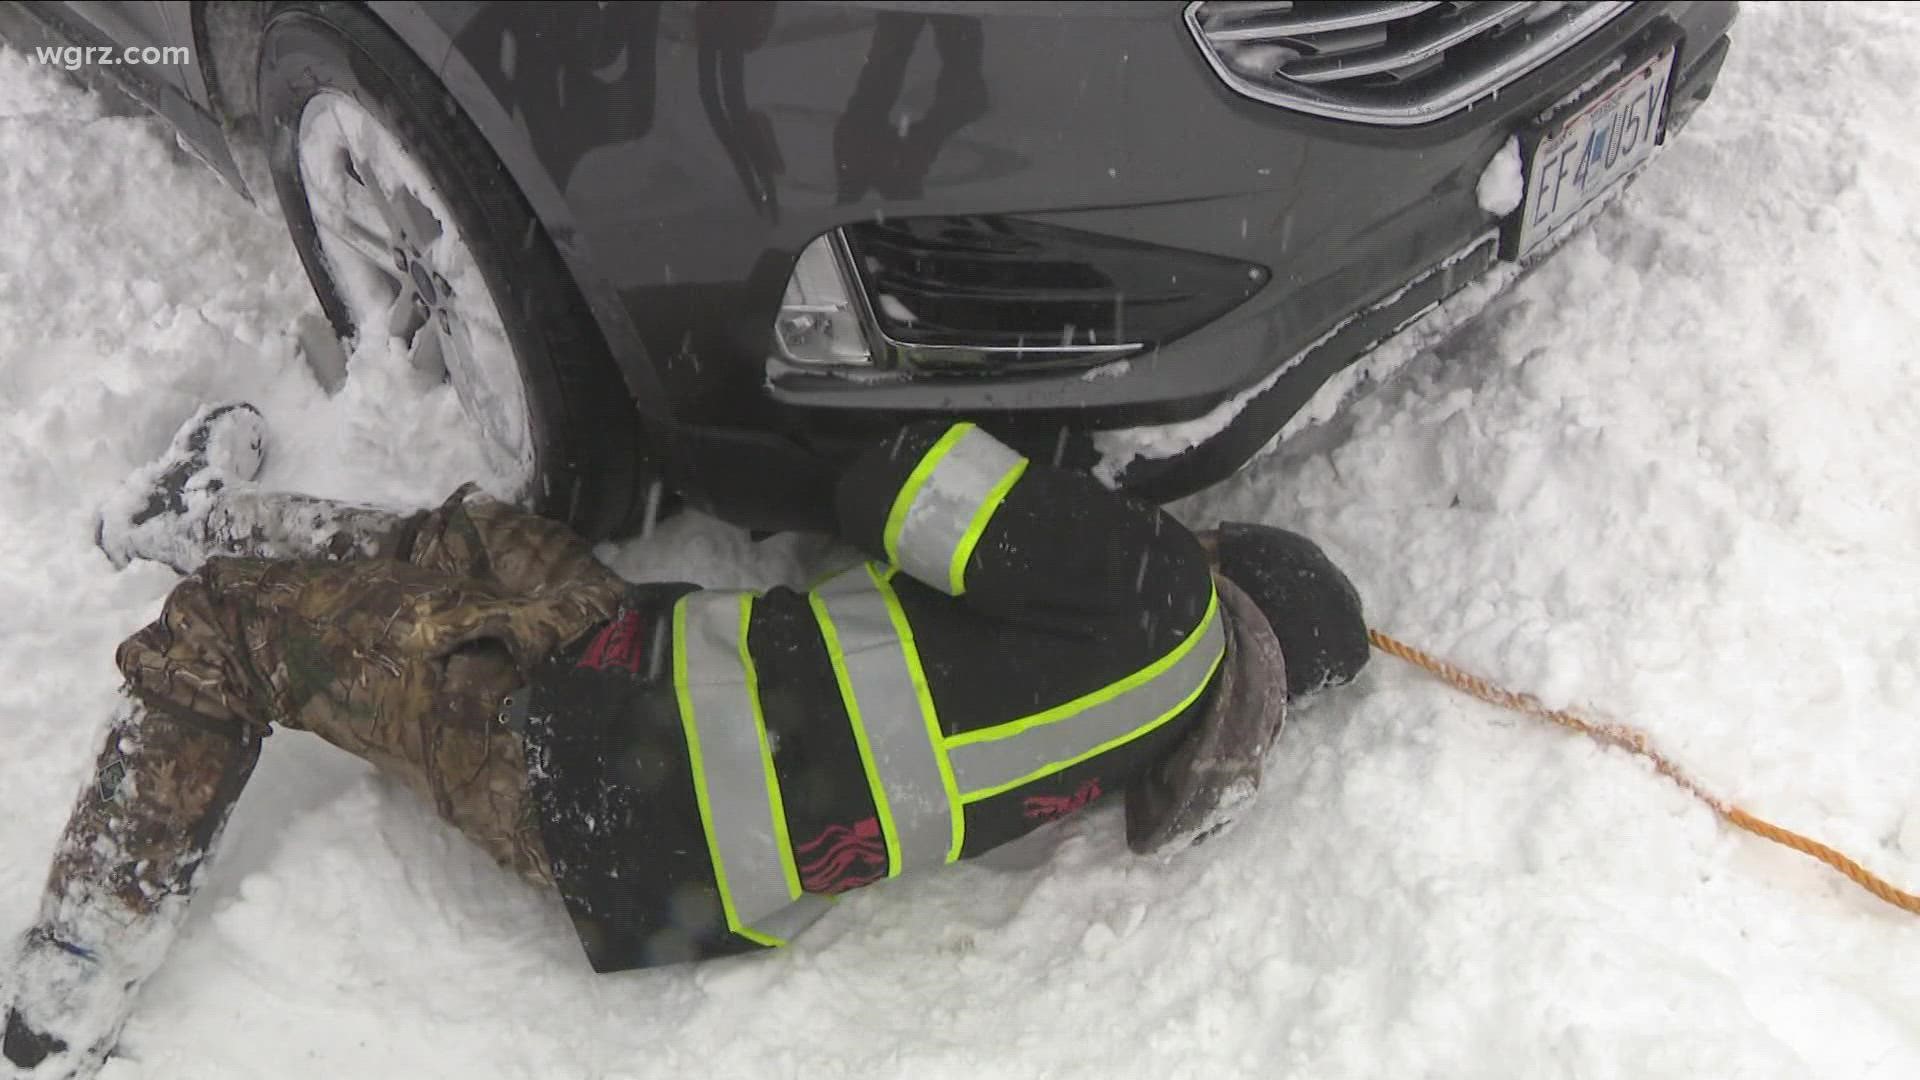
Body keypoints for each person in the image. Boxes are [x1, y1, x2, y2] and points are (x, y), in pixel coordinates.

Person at [2, 404, 1368, 1078]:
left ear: (1228, 562)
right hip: (673, 833)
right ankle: (208, 513)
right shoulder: (1162, 743)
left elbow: (900, 480)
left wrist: (1014, 453)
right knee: (487, 538)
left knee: (218, 639)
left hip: (585, 749)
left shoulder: (1154, 588)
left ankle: (65, 991)